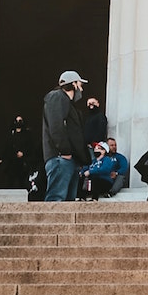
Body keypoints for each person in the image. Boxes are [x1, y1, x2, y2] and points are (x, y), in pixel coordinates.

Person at [43, 70, 91, 201]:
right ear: (73, 84)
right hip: (61, 158)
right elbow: (56, 126)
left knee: (67, 203)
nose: (81, 89)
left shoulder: (66, 102)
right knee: (56, 199)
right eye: (80, 85)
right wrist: (64, 151)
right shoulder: (58, 97)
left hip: (68, 160)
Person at [5, 116, 37, 190]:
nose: (18, 123)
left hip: (24, 163)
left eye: (20, 121)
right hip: (12, 162)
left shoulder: (28, 134)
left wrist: (23, 153)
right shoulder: (11, 135)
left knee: (22, 182)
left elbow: (31, 147)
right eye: (16, 121)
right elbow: (8, 148)